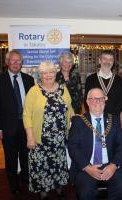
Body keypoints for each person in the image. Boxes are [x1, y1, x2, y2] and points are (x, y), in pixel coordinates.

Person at [23, 61, 74, 199]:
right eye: (44, 73)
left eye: (51, 72)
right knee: (41, 166)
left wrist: (75, 125)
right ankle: (43, 191)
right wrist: (30, 137)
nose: (48, 75)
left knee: (58, 164)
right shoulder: (34, 91)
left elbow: (70, 109)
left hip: (59, 139)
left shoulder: (63, 89)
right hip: (40, 139)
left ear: (55, 73)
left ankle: (58, 188)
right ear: (40, 74)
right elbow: (27, 114)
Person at [68, 88, 122, 200]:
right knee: (86, 192)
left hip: (110, 164)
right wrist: (87, 167)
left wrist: (113, 165)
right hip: (86, 165)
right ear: (87, 102)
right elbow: (72, 146)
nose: (98, 102)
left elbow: (121, 145)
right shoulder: (78, 121)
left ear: (105, 101)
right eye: (94, 99)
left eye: (101, 99)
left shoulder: (113, 120)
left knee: (121, 188)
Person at [0, 50, 34, 195]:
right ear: (7, 62)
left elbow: (33, 104)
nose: (16, 63)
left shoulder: (28, 79)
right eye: (13, 60)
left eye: (19, 61)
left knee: (26, 156)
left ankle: (26, 181)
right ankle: (13, 185)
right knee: (11, 158)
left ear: (22, 63)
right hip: (7, 128)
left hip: (26, 126)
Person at [85, 50, 122, 116]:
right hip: (95, 117)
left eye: (110, 59)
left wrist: (111, 117)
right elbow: (86, 100)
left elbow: (121, 102)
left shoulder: (118, 80)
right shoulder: (90, 79)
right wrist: (95, 115)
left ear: (113, 62)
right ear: (99, 61)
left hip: (113, 118)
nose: (107, 62)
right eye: (105, 59)